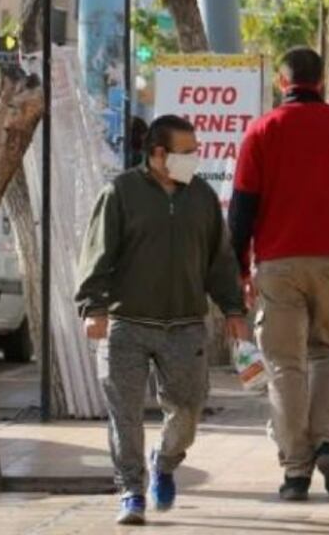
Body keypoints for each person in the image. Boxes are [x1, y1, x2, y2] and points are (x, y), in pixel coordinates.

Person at [228, 47, 329, 502]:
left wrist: (238, 267)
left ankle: (296, 470)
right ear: (323, 81)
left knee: (284, 363)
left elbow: (242, 210)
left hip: (278, 260)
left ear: (283, 83)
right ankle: (328, 441)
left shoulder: (262, 130)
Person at [76, 115, 248, 526]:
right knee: (126, 414)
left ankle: (166, 462)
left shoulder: (202, 197)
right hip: (126, 324)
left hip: (185, 325)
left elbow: (221, 260)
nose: (195, 158)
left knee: (188, 410)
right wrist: (92, 307)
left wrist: (234, 310)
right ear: (157, 154)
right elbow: (97, 253)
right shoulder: (120, 193)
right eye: (186, 152)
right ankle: (131, 490)